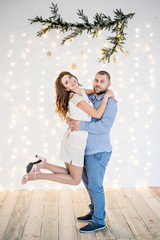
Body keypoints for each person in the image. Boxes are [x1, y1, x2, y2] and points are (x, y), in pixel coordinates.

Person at [21, 71, 115, 187]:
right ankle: (36, 175)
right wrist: (106, 97)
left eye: (70, 77)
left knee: (72, 174)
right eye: (67, 82)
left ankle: (43, 164)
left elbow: (94, 91)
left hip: (73, 138)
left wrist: (109, 92)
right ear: (66, 89)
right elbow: (97, 115)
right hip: (75, 142)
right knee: (75, 180)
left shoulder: (81, 91)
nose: (71, 81)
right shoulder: (76, 99)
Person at [68, 70, 117, 233]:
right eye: (96, 80)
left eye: (102, 81)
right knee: (88, 184)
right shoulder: (89, 98)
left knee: (96, 186)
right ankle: (94, 211)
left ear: (108, 84)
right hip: (83, 150)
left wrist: (81, 125)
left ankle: (99, 220)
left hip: (98, 151)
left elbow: (104, 126)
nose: (98, 83)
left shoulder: (110, 103)